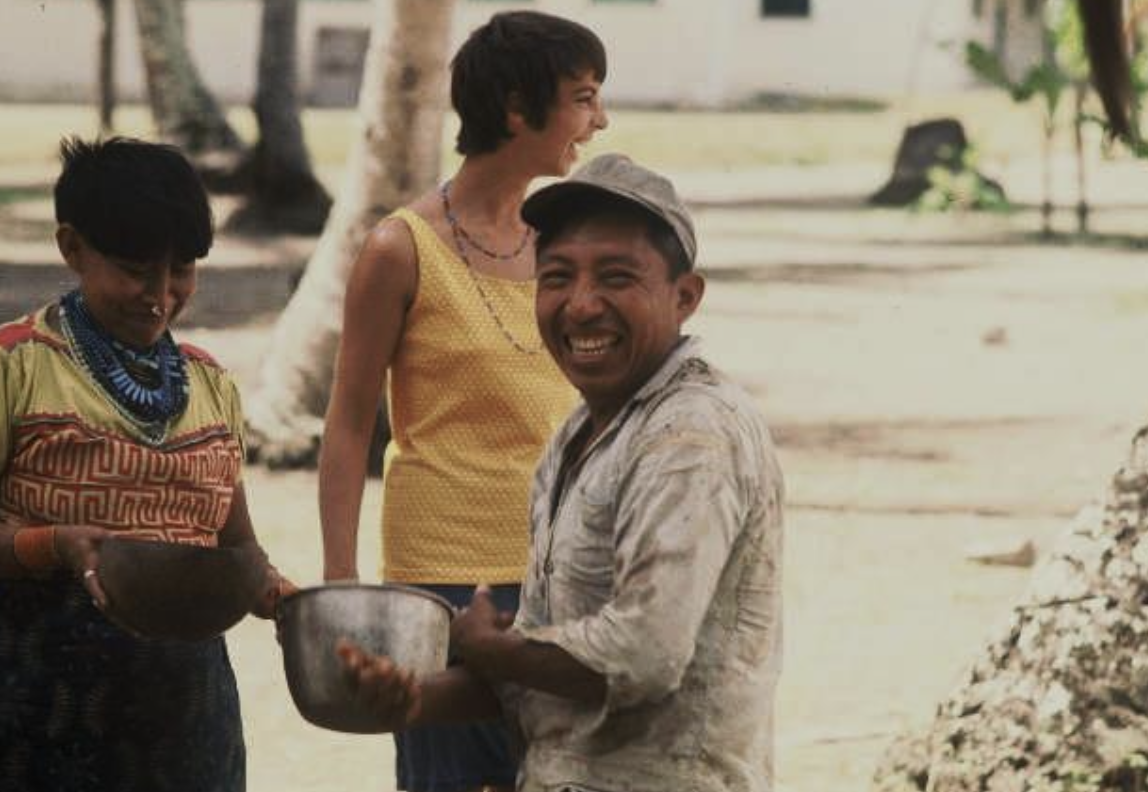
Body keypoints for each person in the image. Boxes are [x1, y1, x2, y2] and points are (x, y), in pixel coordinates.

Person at [338, 153, 785, 792]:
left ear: (685, 296)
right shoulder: (578, 435)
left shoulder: (691, 433)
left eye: (616, 277)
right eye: (556, 277)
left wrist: (496, 649)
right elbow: (541, 670)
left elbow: (645, 653)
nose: (581, 305)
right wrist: (413, 697)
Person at [318, 11, 608, 792]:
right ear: (516, 109)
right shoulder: (399, 248)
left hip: (556, 576)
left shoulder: (563, 247)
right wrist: (341, 586)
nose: (600, 120)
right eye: (584, 98)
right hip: (441, 580)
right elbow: (348, 423)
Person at [0, 136, 288, 792]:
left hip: (190, 723)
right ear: (72, 247)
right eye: (134, 270)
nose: (160, 296)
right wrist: (52, 545)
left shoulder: (210, 386)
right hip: (36, 716)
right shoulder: (17, 368)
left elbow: (236, 547)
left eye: (181, 270)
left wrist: (290, 601)